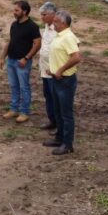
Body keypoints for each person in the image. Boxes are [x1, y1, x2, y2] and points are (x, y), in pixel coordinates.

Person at [44, 11, 81, 155]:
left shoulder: (68, 37)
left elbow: (76, 57)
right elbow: (61, 54)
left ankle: (67, 144)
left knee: (66, 113)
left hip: (65, 80)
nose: (53, 24)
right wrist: (52, 69)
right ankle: (60, 138)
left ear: (64, 23)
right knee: (58, 111)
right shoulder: (60, 36)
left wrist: (60, 70)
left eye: (56, 22)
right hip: (56, 78)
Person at [0, 0, 41, 123]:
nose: (14, 12)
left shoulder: (32, 26)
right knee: (13, 86)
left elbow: (37, 44)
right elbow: (10, 41)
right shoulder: (14, 25)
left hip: (23, 62)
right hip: (11, 60)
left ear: (25, 11)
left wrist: (26, 58)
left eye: (17, 10)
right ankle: (14, 109)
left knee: (24, 87)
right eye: (14, 10)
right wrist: (2, 57)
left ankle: (24, 112)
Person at [38, 2, 58, 132]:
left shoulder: (58, 29)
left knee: (56, 99)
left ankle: (59, 125)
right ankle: (52, 120)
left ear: (52, 14)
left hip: (54, 71)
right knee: (48, 97)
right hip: (45, 70)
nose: (42, 17)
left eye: (44, 15)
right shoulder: (46, 27)